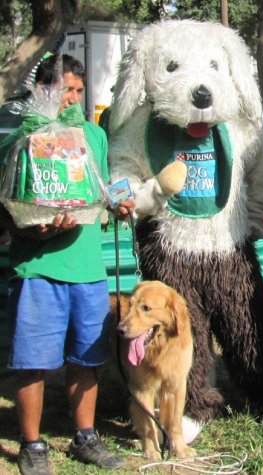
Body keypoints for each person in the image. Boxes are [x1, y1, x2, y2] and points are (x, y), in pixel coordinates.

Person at [0, 54, 134, 475]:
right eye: (64, 90)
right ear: (42, 90)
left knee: (87, 359)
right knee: (31, 362)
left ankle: (86, 437)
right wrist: (30, 229)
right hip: (38, 270)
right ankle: (32, 444)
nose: (73, 98)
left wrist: (121, 200)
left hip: (89, 270)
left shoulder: (93, 136)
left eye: (78, 90)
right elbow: (6, 208)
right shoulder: (21, 138)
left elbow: (100, 187)